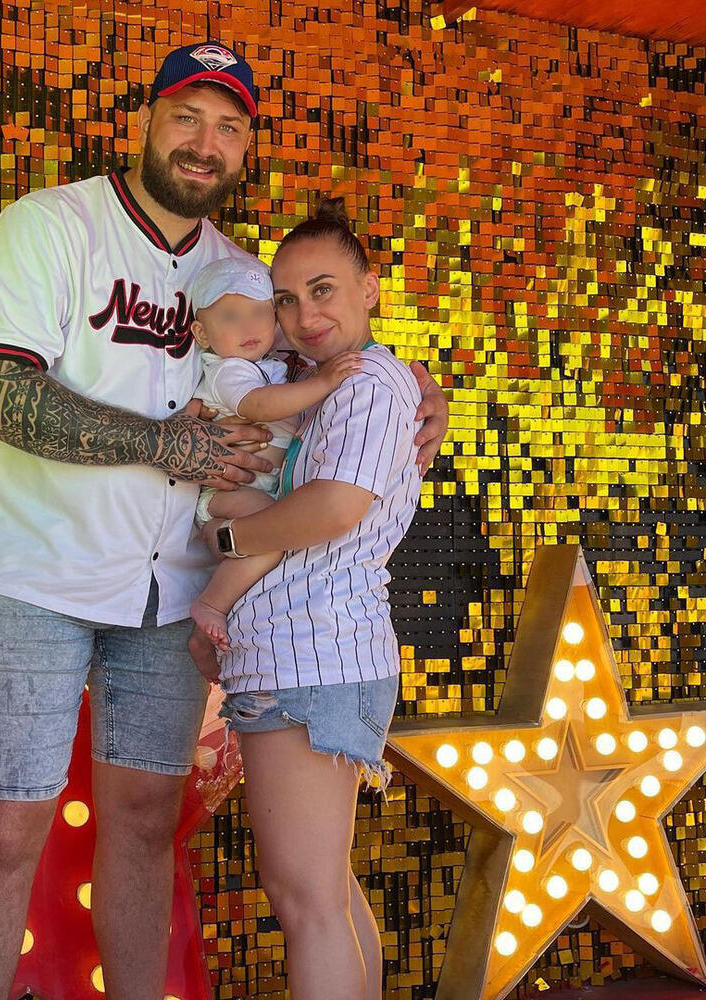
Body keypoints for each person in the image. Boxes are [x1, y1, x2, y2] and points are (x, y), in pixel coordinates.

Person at [0, 39, 449, 1000]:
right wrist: (164, 443)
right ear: (147, 120)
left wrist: (417, 384)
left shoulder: (248, 276)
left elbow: (332, 365)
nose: (205, 143)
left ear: (245, 146)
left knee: (143, 823)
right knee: (2, 833)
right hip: (33, 576)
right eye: (187, 117)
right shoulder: (52, 223)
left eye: (228, 127)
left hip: (174, 594)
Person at [199, 197, 423, 1000]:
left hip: (312, 656)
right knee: (325, 892)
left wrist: (229, 542)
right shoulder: (324, 380)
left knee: (306, 900)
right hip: (311, 655)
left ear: (369, 288)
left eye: (323, 290)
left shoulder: (364, 386)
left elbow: (333, 508)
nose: (303, 316)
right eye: (287, 300)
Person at [187, 255, 365, 652]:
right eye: (230, 317)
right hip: (229, 493)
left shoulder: (268, 364)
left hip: (254, 486)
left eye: (259, 313)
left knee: (272, 540)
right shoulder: (229, 370)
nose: (248, 326)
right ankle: (211, 604)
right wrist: (323, 383)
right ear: (202, 333)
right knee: (272, 535)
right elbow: (259, 405)